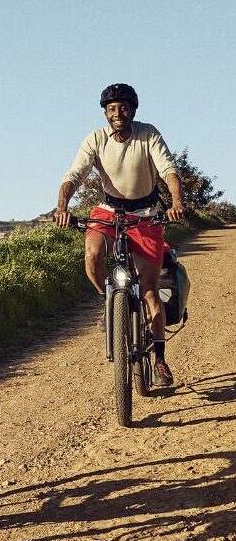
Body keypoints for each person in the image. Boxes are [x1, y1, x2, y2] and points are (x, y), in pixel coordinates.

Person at [54, 83, 186, 386]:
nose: (118, 114)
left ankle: (161, 360)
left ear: (133, 111)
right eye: (111, 109)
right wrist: (62, 206)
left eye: (123, 108)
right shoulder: (96, 139)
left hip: (146, 214)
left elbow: (168, 169)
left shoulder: (148, 133)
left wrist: (177, 202)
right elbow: (75, 174)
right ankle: (109, 302)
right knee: (92, 257)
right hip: (108, 211)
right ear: (105, 113)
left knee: (151, 290)